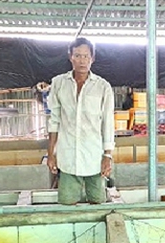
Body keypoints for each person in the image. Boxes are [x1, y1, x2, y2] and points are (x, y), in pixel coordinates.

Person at [47, 37, 115, 205]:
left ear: (92, 58)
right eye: (78, 55)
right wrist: (50, 154)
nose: (82, 61)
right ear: (70, 57)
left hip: (94, 157)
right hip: (68, 156)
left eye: (86, 56)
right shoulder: (58, 83)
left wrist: (107, 155)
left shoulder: (103, 87)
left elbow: (108, 123)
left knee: (98, 202)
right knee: (67, 203)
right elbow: (54, 121)